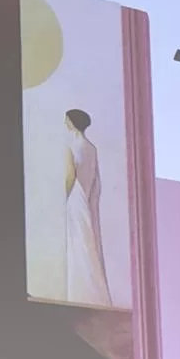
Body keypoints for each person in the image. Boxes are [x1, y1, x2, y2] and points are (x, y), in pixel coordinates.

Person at [64, 108, 112, 306]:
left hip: (75, 198)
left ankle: (80, 293)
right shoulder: (91, 148)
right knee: (88, 243)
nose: (65, 123)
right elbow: (96, 180)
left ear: (73, 122)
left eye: (67, 120)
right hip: (87, 198)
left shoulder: (72, 147)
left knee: (77, 243)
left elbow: (70, 176)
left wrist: (63, 197)